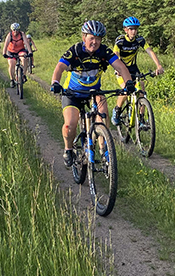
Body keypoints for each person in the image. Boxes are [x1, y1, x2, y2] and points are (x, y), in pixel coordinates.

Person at [51, 20, 135, 167]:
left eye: (98, 39)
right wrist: (55, 83)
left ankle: (103, 150)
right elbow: (60, 67)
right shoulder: (75, 51)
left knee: (103, 115)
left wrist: (128, 83)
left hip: (94, 92)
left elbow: (121, 67)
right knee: (69, 125)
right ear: (84, 37)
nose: (94, 42)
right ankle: (68, 149)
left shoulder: (104, 51)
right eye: (91, 38)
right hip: (72, 93)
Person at [111, 16, 164, 126]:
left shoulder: (140, 40)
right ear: (126, 30)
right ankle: (117, 110)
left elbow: (149, 51)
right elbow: (115, 55)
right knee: (126, 89)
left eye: (135, 29)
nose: (133, 31)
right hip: (121, 68)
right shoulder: (120, 41)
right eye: (131, 29)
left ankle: (141, 119)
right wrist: (117, 69)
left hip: (133, 68)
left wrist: (158, 65)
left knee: (141, 90)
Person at [2, 23, 33, 88]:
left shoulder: (22, 34)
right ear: (12, 30)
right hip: (11, 51)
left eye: (17, 30)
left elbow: (27, 43)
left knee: (24, 58)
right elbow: (6, 44)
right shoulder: (9, 35)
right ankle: (12, 80)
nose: (15, 31)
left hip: (20, 50)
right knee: (11, 64)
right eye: (14, 30)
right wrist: (4, 53)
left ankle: (24, 75)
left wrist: (30, 52)